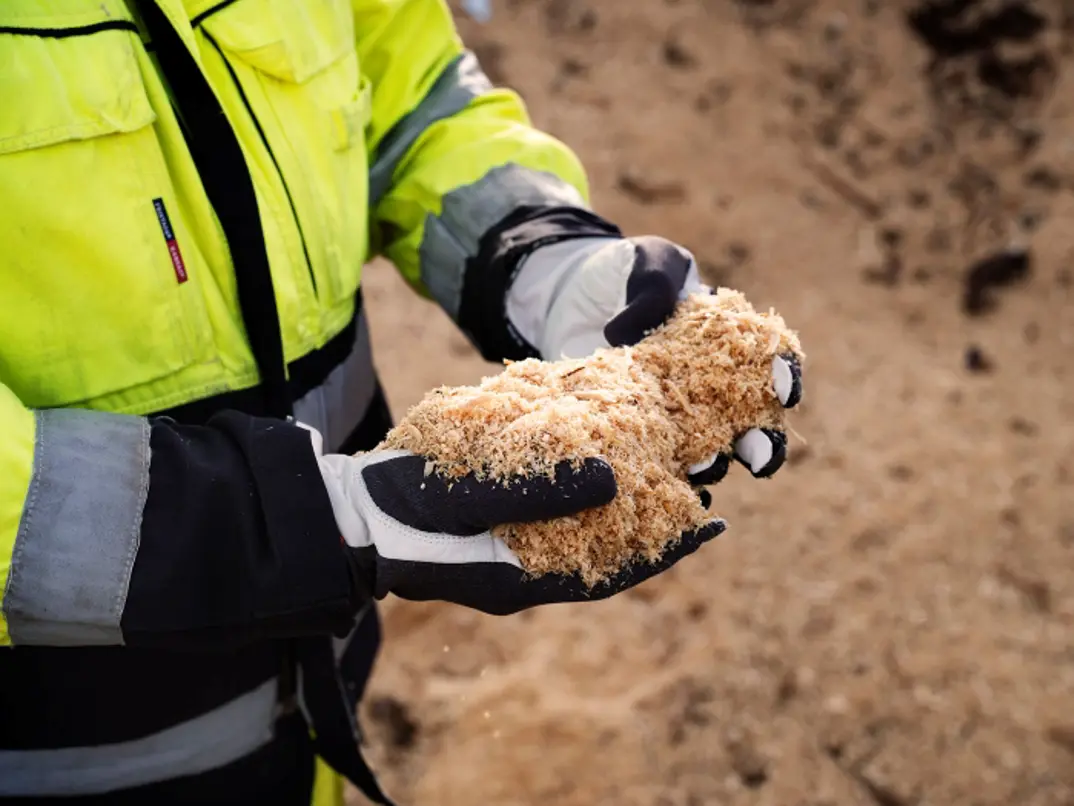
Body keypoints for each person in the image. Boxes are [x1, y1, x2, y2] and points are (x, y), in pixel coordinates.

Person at [0, 1, 802, 803]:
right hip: (56, 744)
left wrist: (533, 250)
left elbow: (408, 91)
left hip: (317, 676)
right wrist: (285, 526)